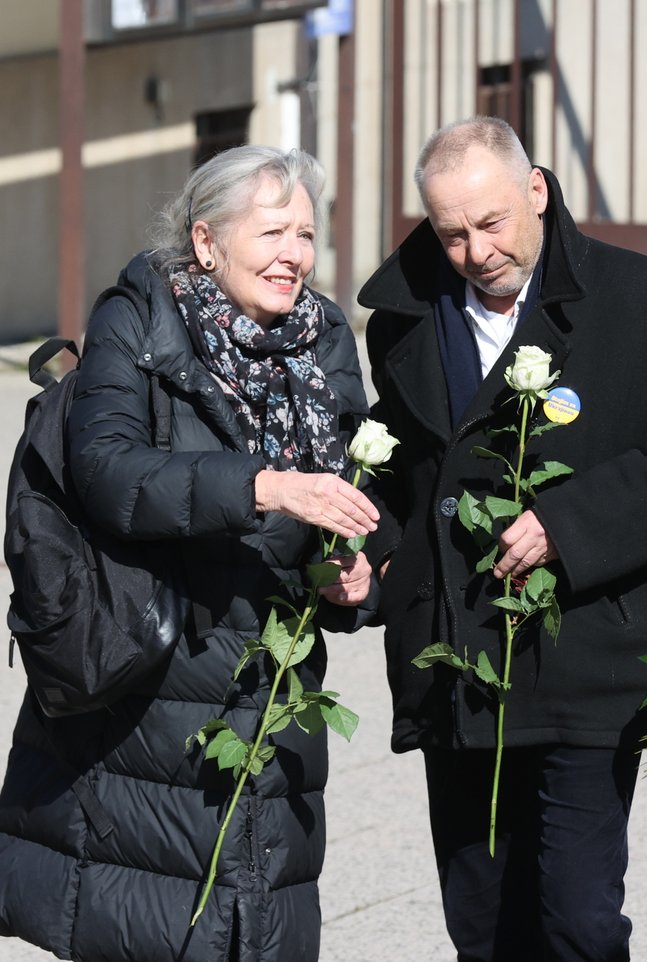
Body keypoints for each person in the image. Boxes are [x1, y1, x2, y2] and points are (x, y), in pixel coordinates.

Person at [354, 115, 647, 962]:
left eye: (492, 223)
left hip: (587, 659)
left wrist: (571, 526)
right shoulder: (402, 318)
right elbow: (400, 468)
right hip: (458, 663)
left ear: (536, 190)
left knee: (577, 920)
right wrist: (371, 553)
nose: (475, 251)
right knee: (483, 924)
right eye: (451, 233)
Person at [0, 146, 379, 962]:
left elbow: (351, 491)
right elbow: (109, 472)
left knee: (262, 917)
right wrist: (264, 487)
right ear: (206, 242)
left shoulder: (324, 337)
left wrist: (355, 573)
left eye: (306, 235)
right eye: (272, 231)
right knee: (158, 917)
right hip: (156, 672)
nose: (294, 255)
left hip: (275, 684)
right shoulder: (139, 316)